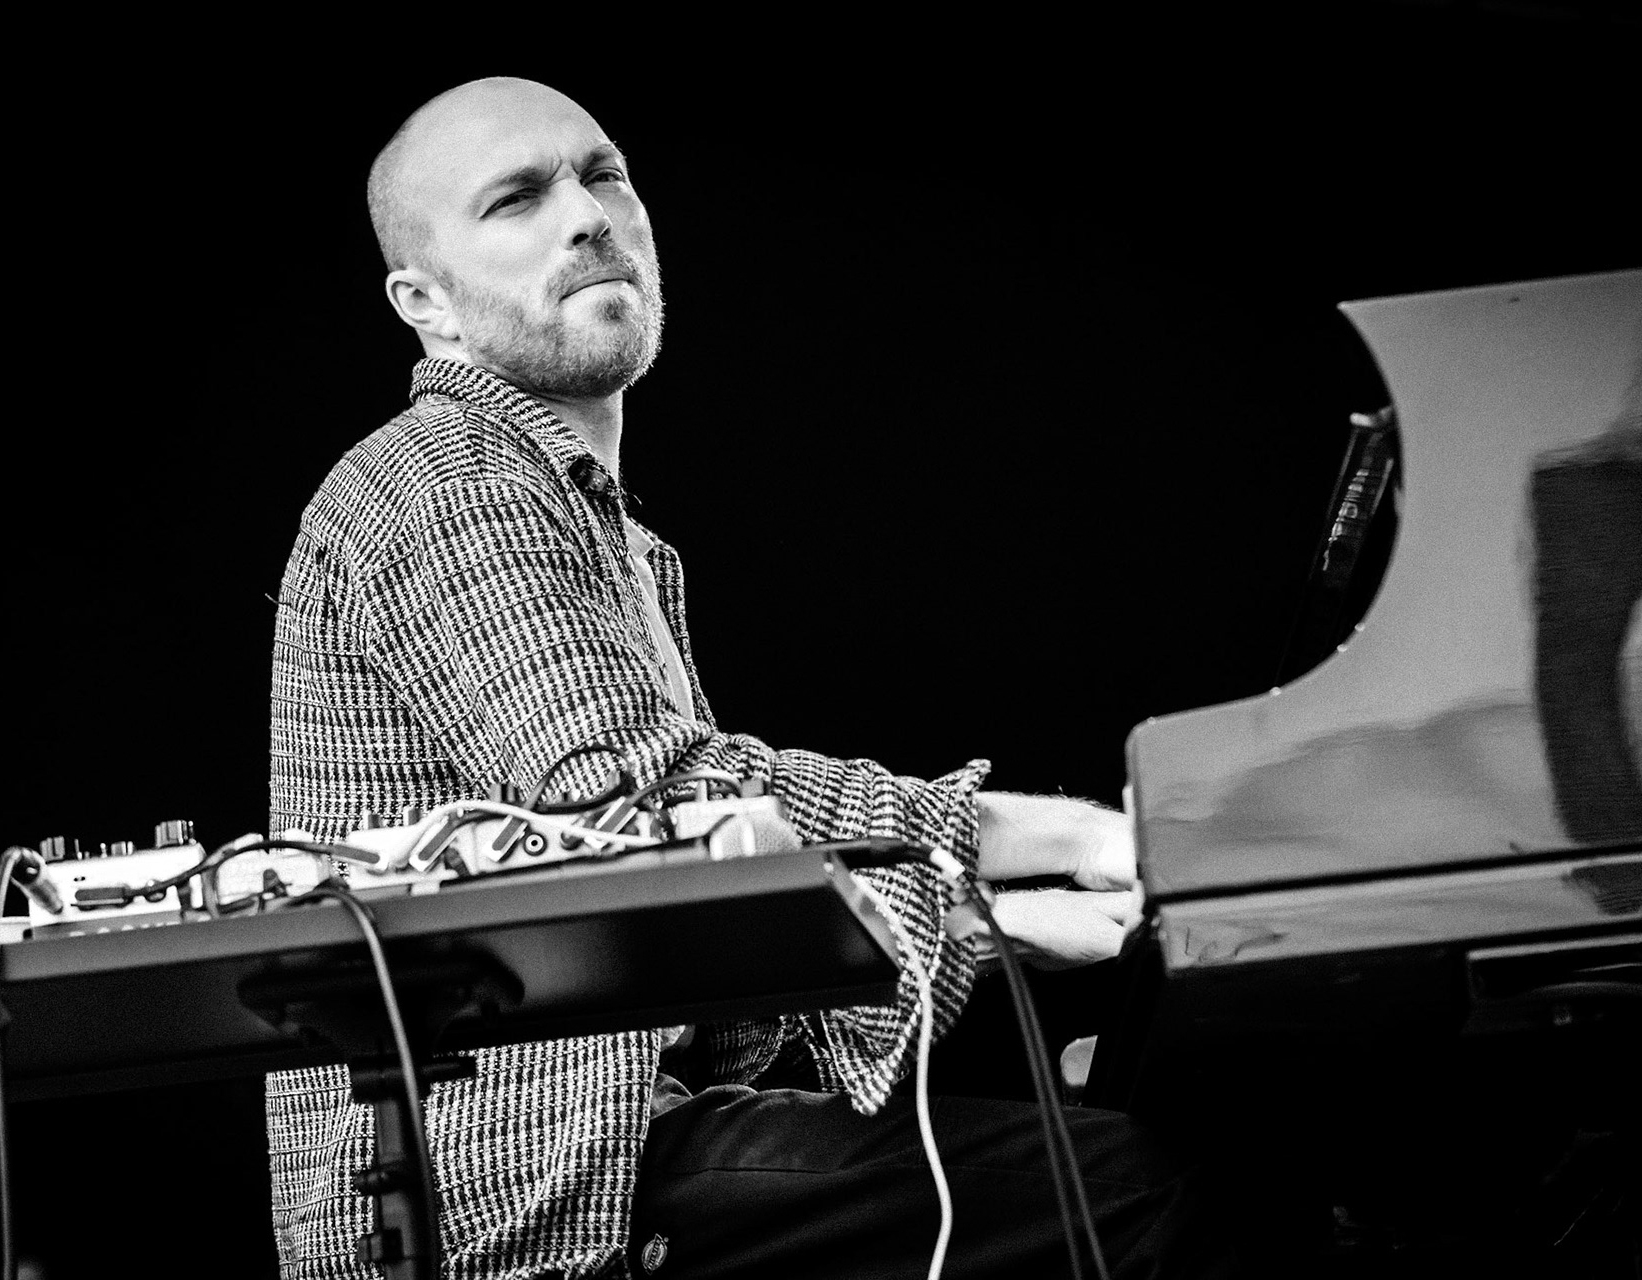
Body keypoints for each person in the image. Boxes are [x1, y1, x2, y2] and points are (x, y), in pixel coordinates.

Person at [266, 75, 1234, 1279]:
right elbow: (641, 798)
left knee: (1089, 1139)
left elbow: (700, 900)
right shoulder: (443, 476)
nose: (586, 216)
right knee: (1142, 1187)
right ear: (428, 305)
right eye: (517, 198)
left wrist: (989, 927)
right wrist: (1038, 865)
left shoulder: (602, 530)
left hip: (620, 1150)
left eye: (603, 173)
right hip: (517, 1179)